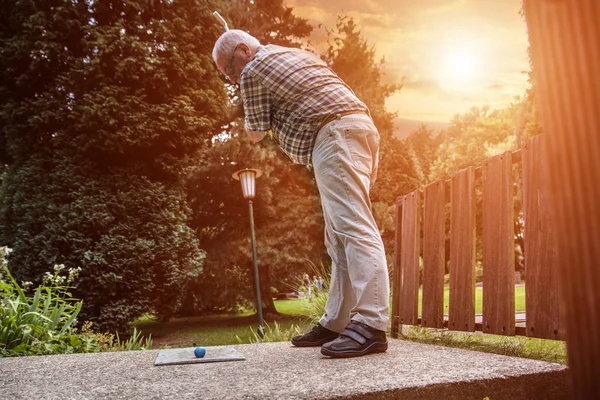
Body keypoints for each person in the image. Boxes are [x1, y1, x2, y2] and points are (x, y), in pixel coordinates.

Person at [212, 30, 389, 358]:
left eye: (230, 71)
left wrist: (245, 100)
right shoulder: (290, 53)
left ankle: (371, 323)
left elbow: (254, 132)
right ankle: (337, 321)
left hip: (334, 134)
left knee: (353, 227)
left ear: (242, 51)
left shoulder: (252, 68)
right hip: (356, 130)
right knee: (338, 236)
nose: (234, 80)